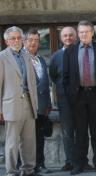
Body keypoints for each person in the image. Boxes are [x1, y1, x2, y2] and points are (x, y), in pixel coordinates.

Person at [63, 20, 96, 175]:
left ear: (92, 33)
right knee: (80, 134)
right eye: (81, 32)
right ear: (78, 33)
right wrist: (71, 96)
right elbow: (66, 77)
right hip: (78, 96)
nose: (83, 34)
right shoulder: (70, 51)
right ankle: (80, 164)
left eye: (86, 32)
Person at [50, 26, 93, 172]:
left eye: (71, 35)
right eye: (65, 35)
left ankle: (83, 160)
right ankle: (70, 161)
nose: (68, 38)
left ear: (76, 37)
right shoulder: (56, 56)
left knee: (82, 132)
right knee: (68, 132)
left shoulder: (82, 52)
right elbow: (54, 76)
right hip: (65, 101)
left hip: (82, 99)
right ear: (61, 38)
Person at [0, 26, 39, 176]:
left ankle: (28, 170)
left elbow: (32, 81)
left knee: (29, 141)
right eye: (13, 38)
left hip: (29, 104)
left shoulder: (26, 55)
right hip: (11, 105)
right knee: (12, 142)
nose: (16, 41)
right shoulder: (2, 57)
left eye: (19, 38)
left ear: (23, 39)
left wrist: (35, 102)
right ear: (6, 41)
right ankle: (11, 172)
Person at [24, 28, 52, 174]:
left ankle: (40, 165)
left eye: (36, 40)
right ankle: (27, 167)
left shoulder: (41, 59)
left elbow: (45, 84)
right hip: (26, 107)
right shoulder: (19, 58)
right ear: (25, 41)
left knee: (39, 138)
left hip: (41, 107)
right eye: (30, 40)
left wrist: (48, 104)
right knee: (26, 140)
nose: (33, 43)